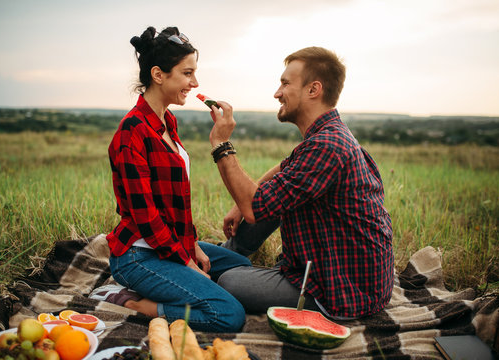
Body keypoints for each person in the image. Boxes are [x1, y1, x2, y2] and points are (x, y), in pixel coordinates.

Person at [208, 46, 394, 320]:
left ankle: (229, 266)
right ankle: (229, 255)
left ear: (313, 89)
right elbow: (286, 167)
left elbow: (254, 207)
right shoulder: (327, 135)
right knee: (267, 198)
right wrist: (241, 206)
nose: (277, 93)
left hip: (340, 290)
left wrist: (222, 144)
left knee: (230, 283)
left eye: (285, 83)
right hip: (331, 270)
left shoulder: (328, 146)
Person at [106, 26, 251, 333]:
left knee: (243, 271)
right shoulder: (132, 132)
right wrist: (186, 263)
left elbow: (177, 204)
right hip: (139, 254)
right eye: (187, 73)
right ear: (158, 75)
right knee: (228, 314)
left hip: (170, 245)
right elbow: (146, 216)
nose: (195, 83)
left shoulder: (167, 120)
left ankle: (180, 288)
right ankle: (141, 305)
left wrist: (192, 247)